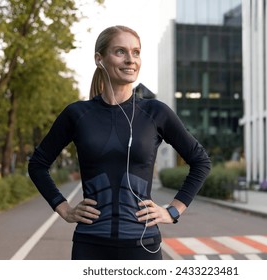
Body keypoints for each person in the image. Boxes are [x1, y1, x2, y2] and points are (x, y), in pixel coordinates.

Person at [28, 25, 211, 260]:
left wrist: (173, 210)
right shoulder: (77, 114)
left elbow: (200, 161)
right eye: (120, 52)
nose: (130, 60)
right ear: (99, 59)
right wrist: (63, 209)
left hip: (143, 245)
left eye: (136, 52)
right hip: (90, 245)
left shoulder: (156, 112)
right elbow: (38, 164)